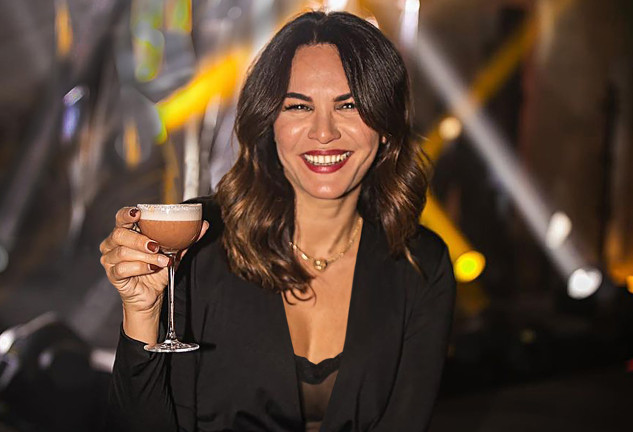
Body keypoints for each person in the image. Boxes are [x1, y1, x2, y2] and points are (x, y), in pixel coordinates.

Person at [100, 10, 455, 432]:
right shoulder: (200, 246)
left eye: (349, 105)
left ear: (384, 124)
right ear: (271, 122)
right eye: (299, 106)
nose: (324, 132)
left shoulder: (421, 265)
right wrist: (141, 313)